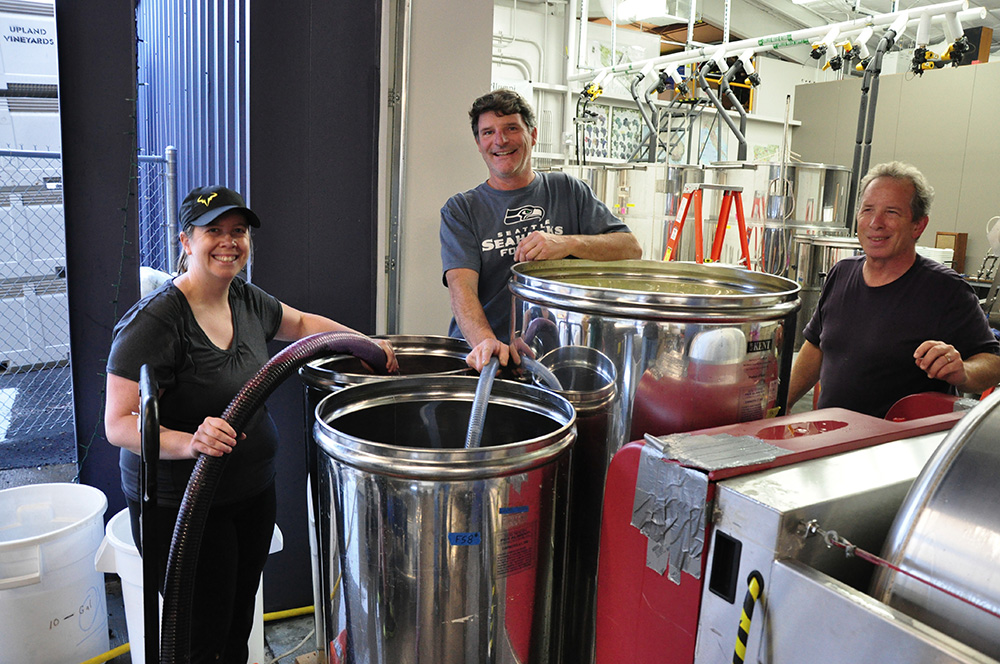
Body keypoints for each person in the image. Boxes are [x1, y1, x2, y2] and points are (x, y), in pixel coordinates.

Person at [104, 185, 397, 663]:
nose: (229, 242)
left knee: (239, 622)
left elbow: (300, 326)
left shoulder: (243, 297)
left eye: (238, 231)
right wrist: (189, 441)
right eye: (213, 231)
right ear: (185, 241)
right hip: (184, 504)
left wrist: (364, 342)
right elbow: (119, 423)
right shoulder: (155, 322)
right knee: (200, 635)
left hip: (249, 492)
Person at [440, 89, 642, 371]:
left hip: (553, 358)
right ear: (478, 142)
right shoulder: (461, 210)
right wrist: (487, 344)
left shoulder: (568, 190)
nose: (500, 140)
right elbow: (462, 291)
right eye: (488, 132)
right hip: (483, 358)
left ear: (532, 135)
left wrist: (568, 244)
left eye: (511, 128)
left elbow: (630, 248)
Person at [788, 161, 1000, 418]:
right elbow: (816, 346)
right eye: (867, 210)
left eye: (891, 212)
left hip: (898, 448)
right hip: (832, 441)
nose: (876, 222)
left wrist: (963, 372)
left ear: (918, 226)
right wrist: (781, 403)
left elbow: (993, 361)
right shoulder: (841, 273)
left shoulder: (946, 290)